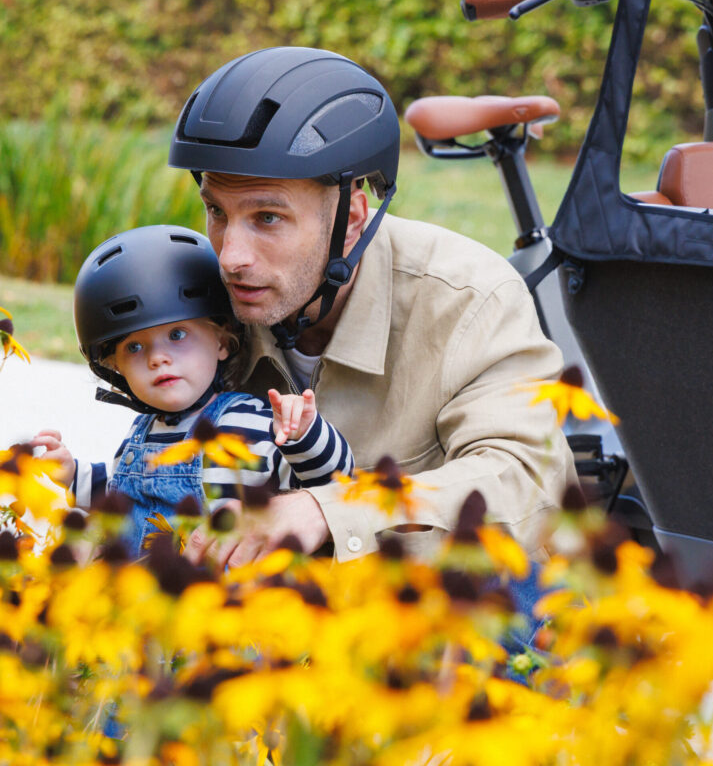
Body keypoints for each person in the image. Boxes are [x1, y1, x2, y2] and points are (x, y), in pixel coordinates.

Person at [167, 46, 577, 568]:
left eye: (268, 218)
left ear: (353, 218)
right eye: (217, 212)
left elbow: (526, 481)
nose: (231, 257)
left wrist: (325, 509)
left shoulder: (469, 298)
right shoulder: (204, 302)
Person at [31, 224, 353, 555]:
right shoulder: (140, 435)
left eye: (177, 335)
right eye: (134, 348)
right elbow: (118, 498)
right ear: (115, 367)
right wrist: (72, 474)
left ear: (222, 342)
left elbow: (332, 482)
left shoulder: (244, 424)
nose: (158, 358)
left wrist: (305, 435)